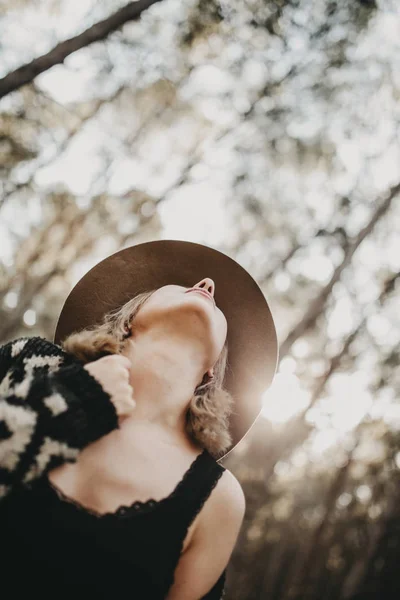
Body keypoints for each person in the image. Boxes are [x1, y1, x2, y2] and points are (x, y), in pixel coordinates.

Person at [0, 240, 278, 599]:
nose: (207, 284)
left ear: (212, 370)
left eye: (215, 301)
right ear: (131, 317)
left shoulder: (216, 498)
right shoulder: (30, 362)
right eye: (183, 286)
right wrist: (76, 397)